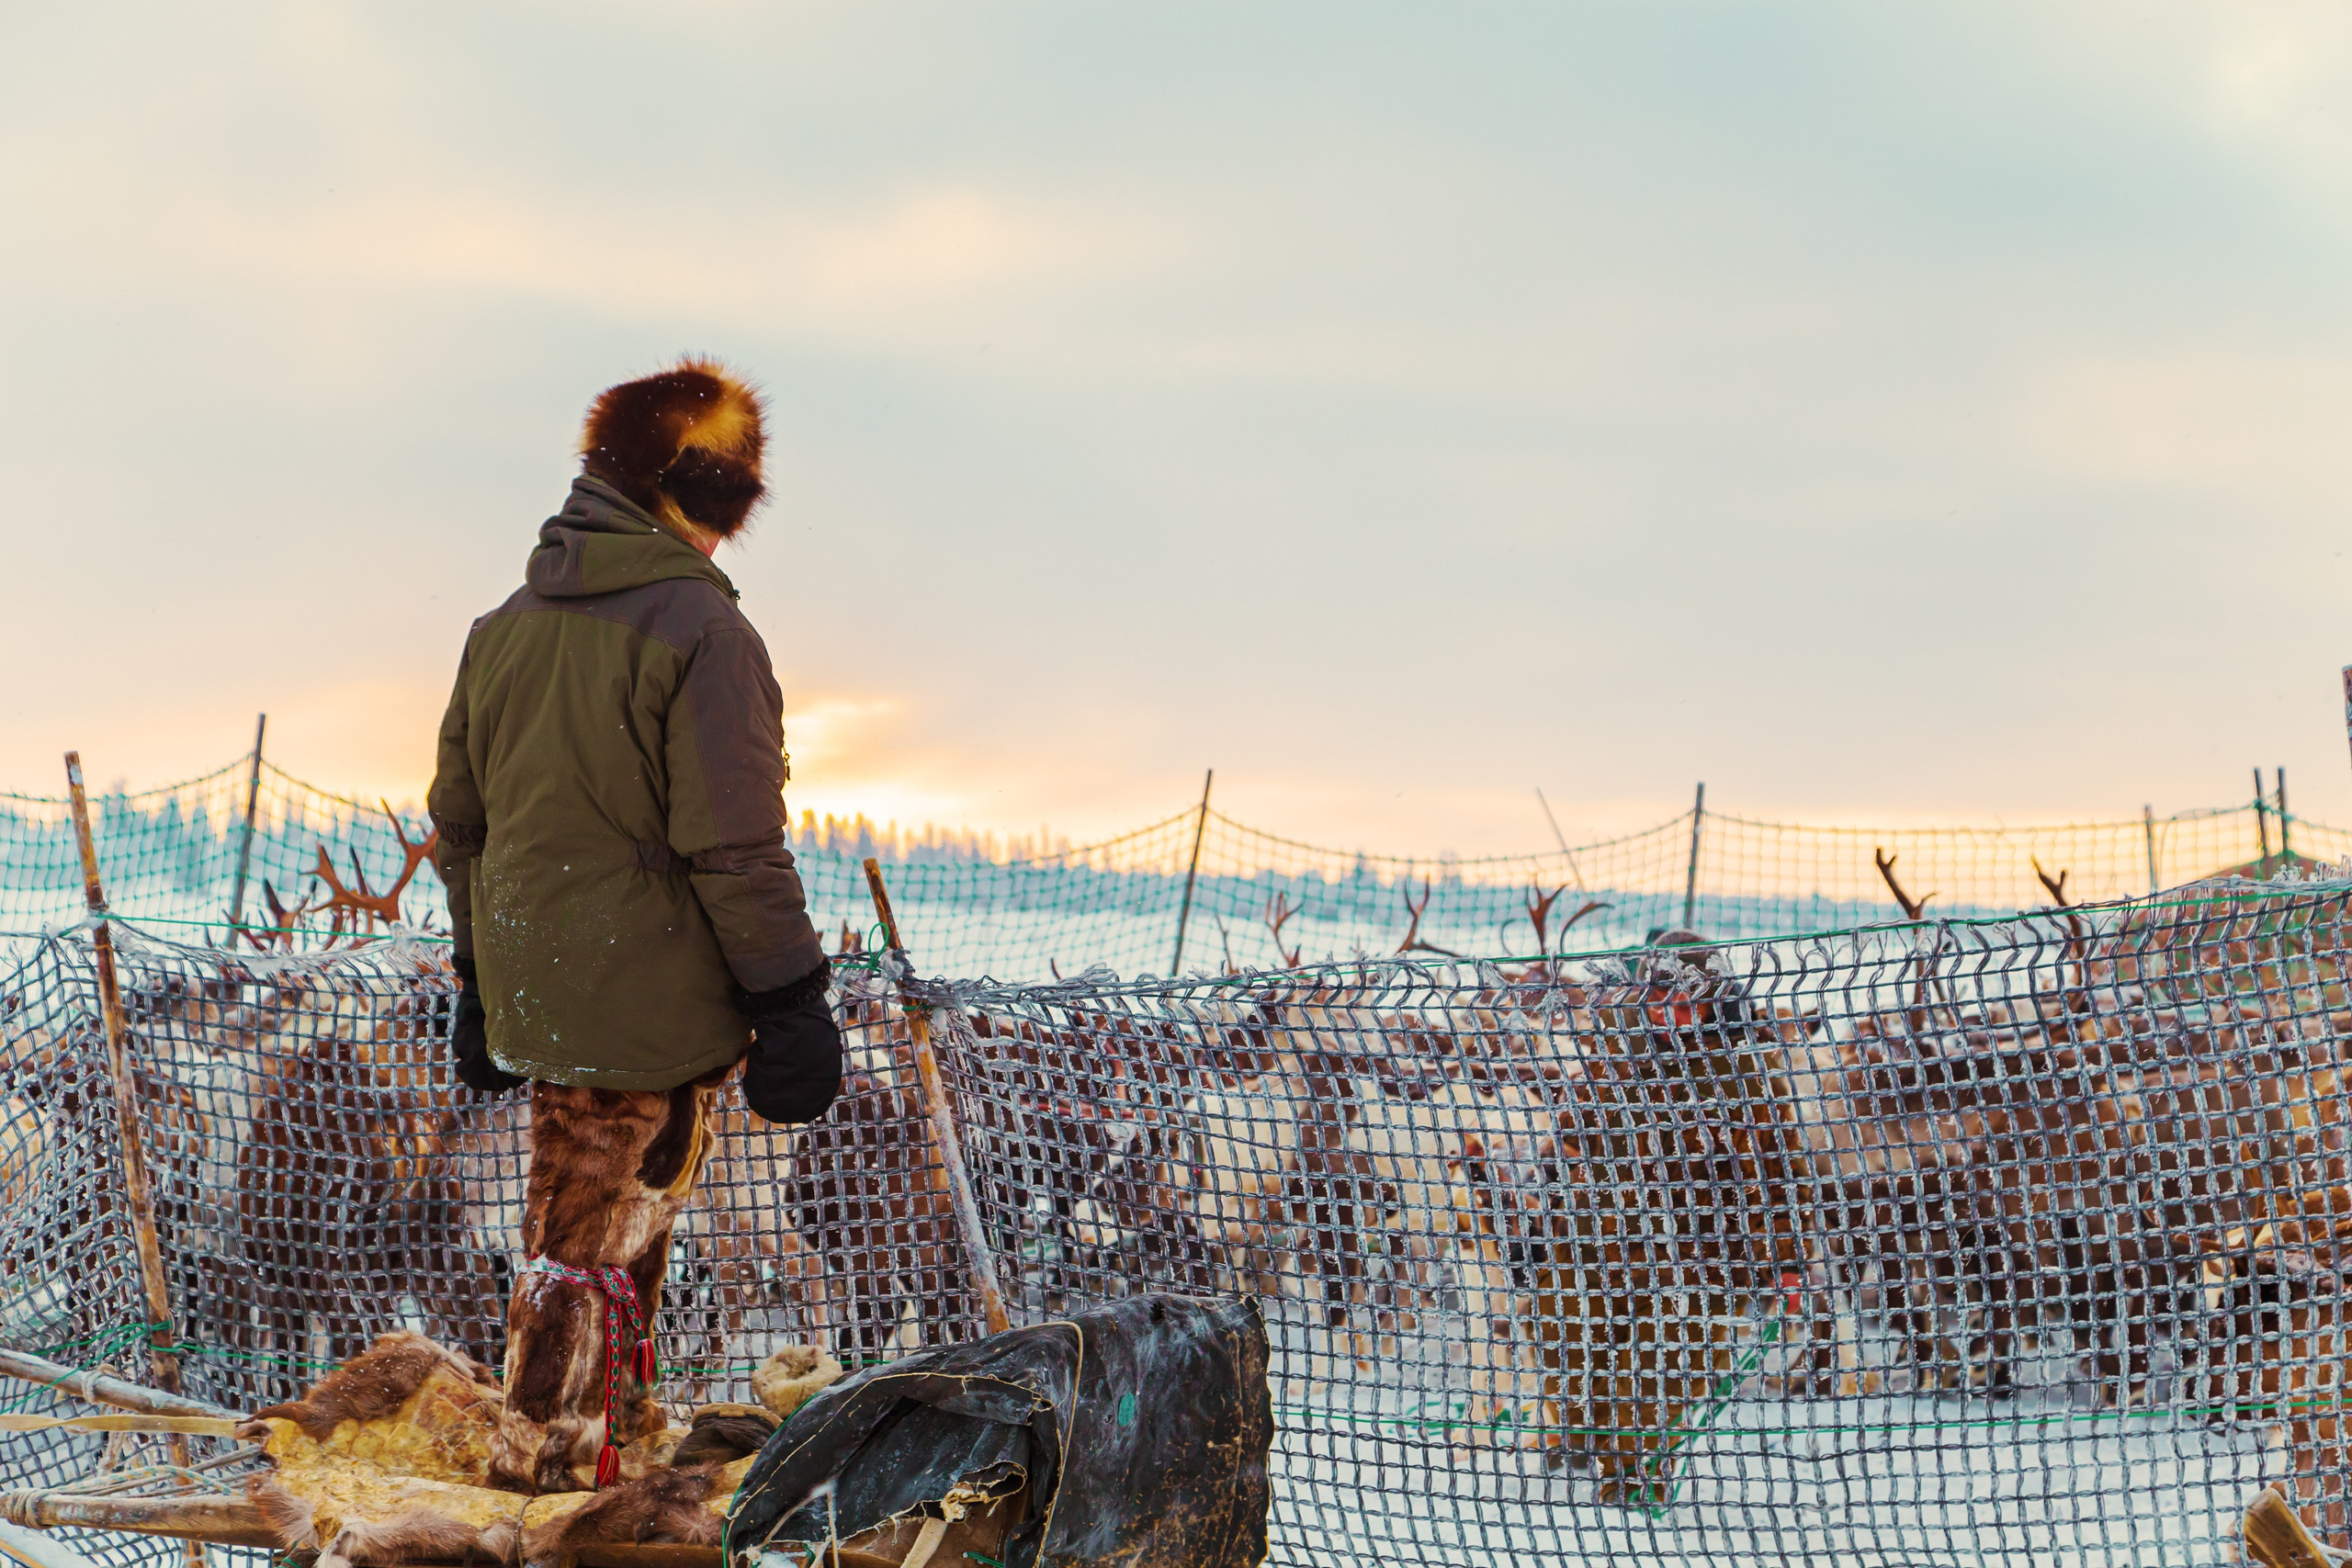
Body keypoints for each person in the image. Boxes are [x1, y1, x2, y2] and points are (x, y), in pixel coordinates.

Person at [427, 357, 842, 1495]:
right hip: (649, 1017)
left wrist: (477, 972)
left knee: (603, 1253)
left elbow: (461, 828)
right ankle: (548, 1488)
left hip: (543, 994)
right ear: (701, 497)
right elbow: (734, 846)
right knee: (585, 1260)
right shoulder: (702, 633)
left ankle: (601, 1453)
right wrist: (791, 998)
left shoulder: (502, 627)